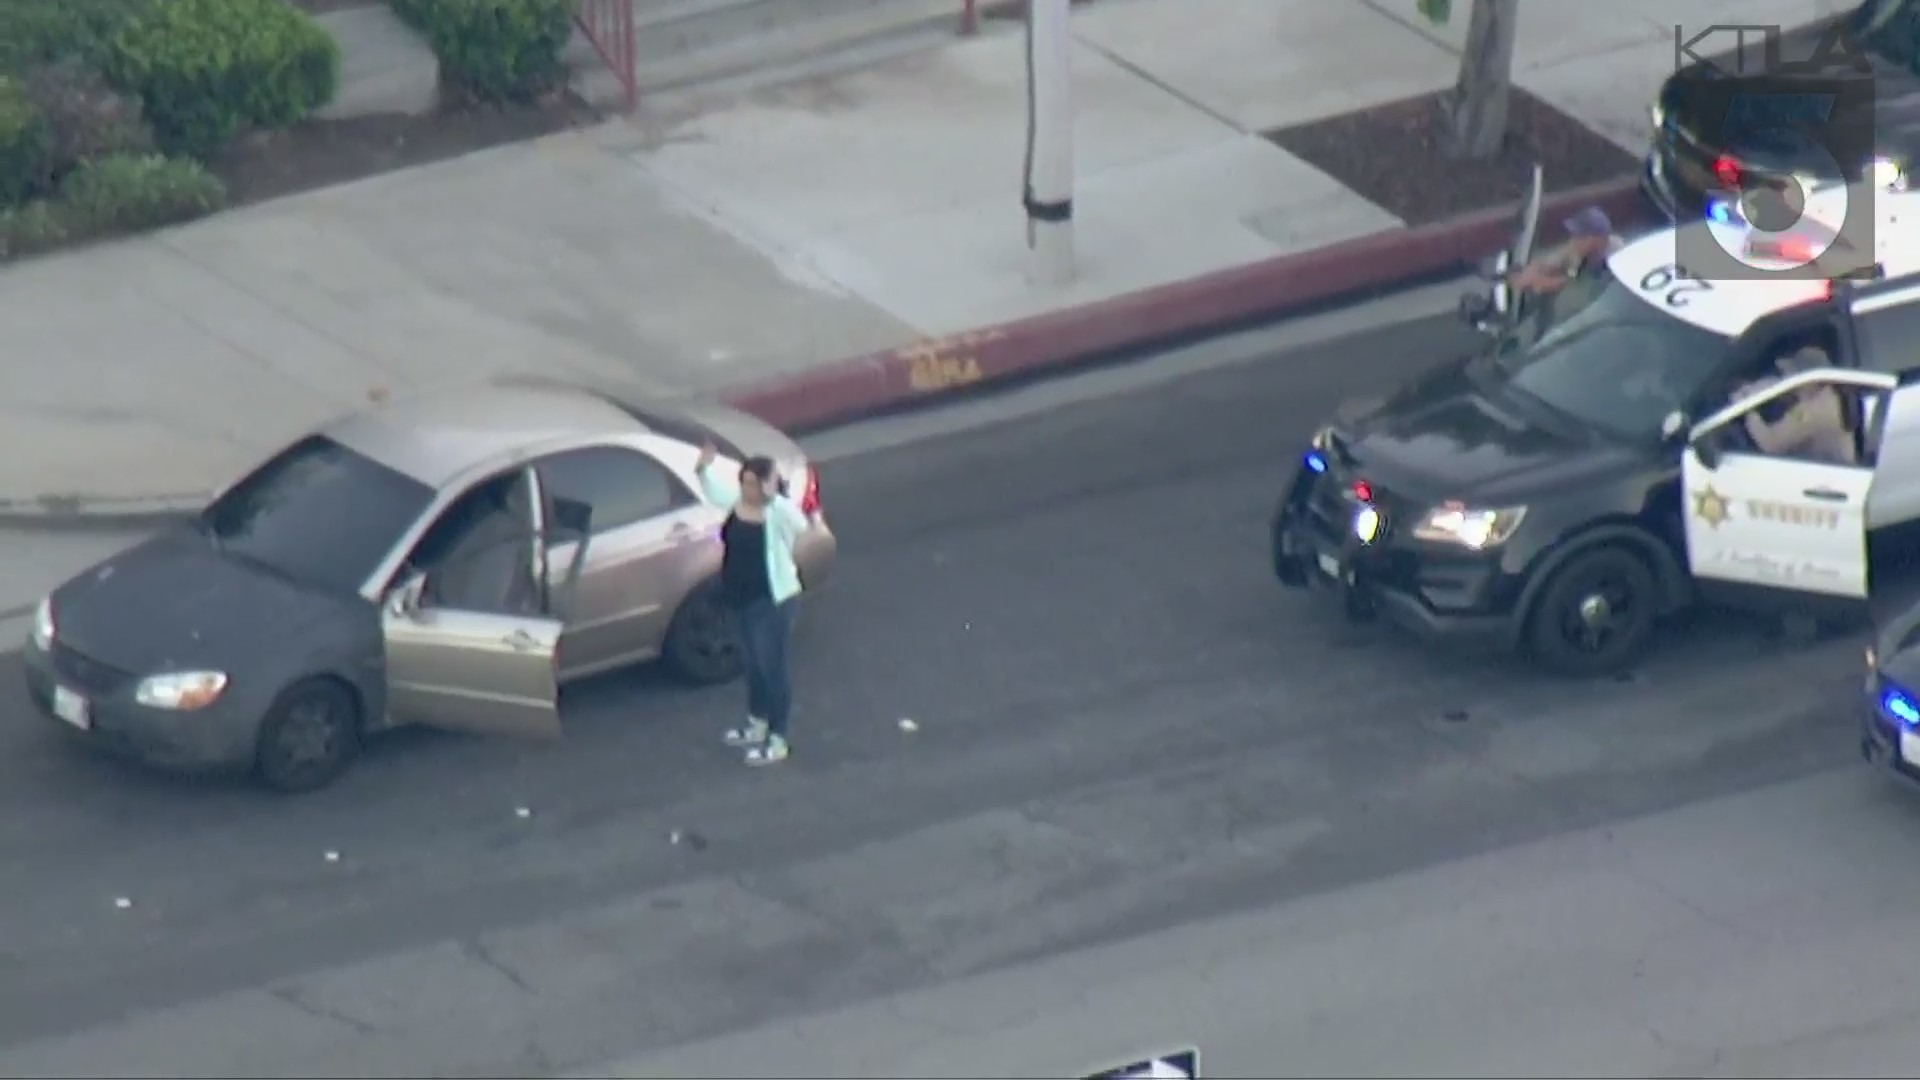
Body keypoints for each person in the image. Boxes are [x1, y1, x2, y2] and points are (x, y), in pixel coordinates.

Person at [694, 440, 812, 766]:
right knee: (752, 665)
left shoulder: (776, 513)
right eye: (743, 481)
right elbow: (713, 491)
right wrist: (703, 468)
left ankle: (778, 737)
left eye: (752, 483)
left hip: (772, 602)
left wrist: (776, 495)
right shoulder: (737, 503)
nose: (745, 488)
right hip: (741, 597)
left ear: (764, 485)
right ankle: (756, 722)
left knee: (772, 668)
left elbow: (800, 523)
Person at [1736, 341, 1855, 463]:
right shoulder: (1826, 400)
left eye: (1793, 376)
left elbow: (1771, 443)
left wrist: (1747, 409)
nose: (1790, 381)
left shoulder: (1813, 413)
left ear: (1809, 381)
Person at [1509, 206, 1624, 296]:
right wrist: (1530, 271)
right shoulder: (1583, 250)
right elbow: (1555, 260)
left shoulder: (1615, 259)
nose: (1573, 240)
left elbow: (1573, 286)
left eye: (1579, 236)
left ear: (1594, 239)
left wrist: (1538, 283)